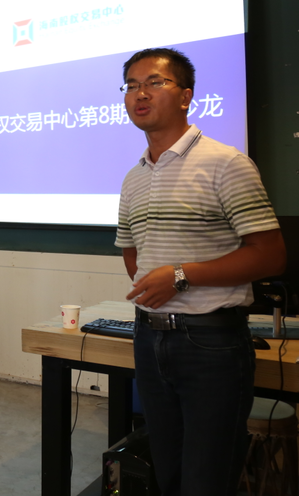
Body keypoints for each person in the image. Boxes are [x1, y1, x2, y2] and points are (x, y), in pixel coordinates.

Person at [114, 47, 286, 496]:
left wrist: (180, 276)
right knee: (167, 471)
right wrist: (155, 284)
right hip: (149, 337)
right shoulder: (134, 177)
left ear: (186, 95)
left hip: (210, 342)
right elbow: (133, 253)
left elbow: (270, 255)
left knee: (207, 478)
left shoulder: (225, 163)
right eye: (131, 85)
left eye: (155, 82)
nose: (140, 94)